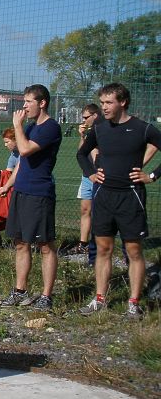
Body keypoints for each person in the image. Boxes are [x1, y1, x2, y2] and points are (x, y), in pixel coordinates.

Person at [76, 83, 161, 318]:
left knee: (133, 251)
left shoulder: (142, 129)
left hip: (131, 197)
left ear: (122, 102)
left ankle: (133, 303)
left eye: (108, 103)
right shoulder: (100, 129)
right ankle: (100, 298)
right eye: (102, 103)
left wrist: (151, 176)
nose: (104, 107)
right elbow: (81, 154)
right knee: (103, 249)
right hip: (103, 197)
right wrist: (92, 173)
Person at [0, 84, 62, 311]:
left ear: (42, 103)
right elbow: (21, 164)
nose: (23, 106)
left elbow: (23, 150)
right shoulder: (31, 127)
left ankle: (46, 296)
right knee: (20, 243)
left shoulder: (50, 128)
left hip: (39, 194)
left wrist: (16, 126)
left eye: (28, 102)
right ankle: (20, 290)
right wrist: (7, 186)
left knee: (45, 245)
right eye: (24, 102)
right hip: (21, 192)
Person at [70, 103, 102, 256]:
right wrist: (82, 136)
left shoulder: (103, 129)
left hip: (100, 177)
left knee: (99, 211)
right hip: (87, 175)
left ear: (95, 115)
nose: (83, 121)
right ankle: (83, 244)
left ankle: (98, 244)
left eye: (86, 117)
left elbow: (97, 155)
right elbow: (81, 152)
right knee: (85, 209)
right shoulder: (89, 132)